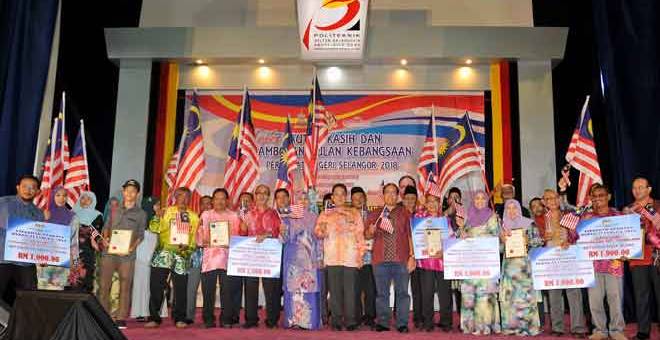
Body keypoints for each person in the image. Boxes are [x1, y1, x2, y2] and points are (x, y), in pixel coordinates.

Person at [145, 187, 199, 329]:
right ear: (175, 197)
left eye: (187, 196)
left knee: (181, 289)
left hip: (182, 257)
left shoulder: (194, 216)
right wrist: (157, 215)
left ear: (190, 199)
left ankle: (179, 318)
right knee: (156, 287)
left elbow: (194, 240)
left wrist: (187, 248)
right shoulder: (166, 211)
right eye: (180, 195)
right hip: (163, 254)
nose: (184, 199)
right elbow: (154, 228)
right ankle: (154, 317)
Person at [315, 183, 365, 331]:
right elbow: (318, 233)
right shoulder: (325, 214)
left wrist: (360, 255)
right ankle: (336, 321)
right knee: (335, 292)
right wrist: (321, 229)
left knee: (350, 291)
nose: (340, 197)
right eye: (336, 194)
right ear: (332, 197)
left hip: (350, 257)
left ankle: (350, 321)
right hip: (332, 257)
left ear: (346, 196)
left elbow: (360, 236)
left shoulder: (354, 213)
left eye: (343, 194)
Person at [366, 183, 415, 333]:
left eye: (394, 192)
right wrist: (370, 230)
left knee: (402, 293)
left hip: (401, 259)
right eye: (387, 192)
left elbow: (410, 236)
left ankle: (402, 323)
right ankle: (383, 322)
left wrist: (412, 256)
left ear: (398, 195)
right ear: (383, 195)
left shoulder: (405, 212)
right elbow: (367, 235)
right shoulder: (376, 214)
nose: (391, 195)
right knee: (382, 294)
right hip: (380, 260)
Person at [98, 180, 146, 329]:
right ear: (123, 192)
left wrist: (132, 247)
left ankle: (120, 317)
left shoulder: (141, 213)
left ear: (137, 194)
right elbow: (106, 226)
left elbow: (140, 234)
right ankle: (103, 315)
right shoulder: (114, 209)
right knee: (104, 284)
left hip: (127, 255)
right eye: (127, 190)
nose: (130, 193)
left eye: (133, 191)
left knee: (125, 285)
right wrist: (105, 238)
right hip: (109, 252)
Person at [582, 184, 626, 340]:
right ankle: (599, 330)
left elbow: (630, 239)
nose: (597, 199)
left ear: (608, 197)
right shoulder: (586, 219)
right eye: (594, 197)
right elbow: (576, 238)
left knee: (615, 299)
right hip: (592, 265)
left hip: (614, 264)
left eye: (601, 195)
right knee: (594, 301)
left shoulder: (619, 216)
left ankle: (616, 330)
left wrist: (629, 251)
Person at [543, 189, 588, 337]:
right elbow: (534, 240)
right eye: (549, 199)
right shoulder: (541, 218)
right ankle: (557, 327)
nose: (553, 201)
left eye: (555, 197)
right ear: (544, 202)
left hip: (569, 255)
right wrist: (543, 238)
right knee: (554, 293)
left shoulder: (568, 213)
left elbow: (578, 232)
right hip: (551, 257)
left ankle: (578, 328)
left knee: (574, 292)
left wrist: (570, 240)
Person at [457, 190, 501, 335]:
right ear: (473, 201)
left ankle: (486, 325)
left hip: (486, 262)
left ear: (487, 200)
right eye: (477, 198)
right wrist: (461, 232)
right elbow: (458, 237)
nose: (480, 201)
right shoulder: (466, 217)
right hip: (470, 262)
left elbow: (498, 241)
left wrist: (476, 237)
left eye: (483, 198)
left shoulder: (492, 217)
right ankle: (470, 325)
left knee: (485, 293)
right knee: (469, 293)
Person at [196, 188, 241, 328]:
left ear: (227, 201)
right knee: (208, 291)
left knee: (227, 291)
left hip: (228, 258)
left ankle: (226, 319)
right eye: (217, 198)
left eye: (223, 198)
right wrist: (202, 240)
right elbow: (199, 234)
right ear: (213, 200)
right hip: (210, 259)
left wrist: (231, 242)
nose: (220, 201)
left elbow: (238, 237)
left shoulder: (234, 216)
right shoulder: (206, 215)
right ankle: (208, 319)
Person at [499, 199, 543, 336]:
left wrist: (527, 241)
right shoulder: (502, 226)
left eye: (514, 208)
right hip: (509, 267)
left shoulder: (528, 224)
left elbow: (539, 241)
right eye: (509, 208)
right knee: (510, 297)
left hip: (524, 267)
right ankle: (511, 326)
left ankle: (528, 326)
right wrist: (501, 240)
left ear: (519, 209)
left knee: (525, 297)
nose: (512, 211)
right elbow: (499, 249)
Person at [280, 190, 322, 330]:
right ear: (294, 202)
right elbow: (283, 240)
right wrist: (282, 231)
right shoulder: (288, 218)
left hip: (310, 260)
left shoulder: (316, 217)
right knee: (294, 290)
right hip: (293, 260)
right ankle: (293, 321)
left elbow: (319, 240)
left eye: (306, 199)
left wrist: (320, 257)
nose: (303, 201)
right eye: (300, 199)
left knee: (308, 289)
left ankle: (308, 321)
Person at [240, 185, 281, 329]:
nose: (262, 196)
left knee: (271, 290)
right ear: (255, 195)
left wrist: (267, 235)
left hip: (269, 256)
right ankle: (251, 319)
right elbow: (241, 235)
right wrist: (243, 228)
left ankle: (272, 320)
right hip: (251, 256)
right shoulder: (247, 214)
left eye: (265, 193)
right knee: (250, 287)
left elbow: (278, 232)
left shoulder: (274, 213)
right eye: (259, 193)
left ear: (268, 196)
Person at [624, 176, 660, 340]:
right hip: (637, 258)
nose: (637, 190)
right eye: (634, 188)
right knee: (640, 295)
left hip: (656, 256)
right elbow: (622, 235)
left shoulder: (658, 206)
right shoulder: (628, 210)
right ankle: (643, 331)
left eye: (640, 187)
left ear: (649, 189)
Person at [0, 175, 43, 306]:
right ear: (18, 188)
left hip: (25, 263)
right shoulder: (3, 203)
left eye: (32, 188)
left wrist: (46, 255)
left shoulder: (38, 214)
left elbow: (39, 239)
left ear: (38, 192)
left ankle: (26, 326)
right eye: (24, 186)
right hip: (2, 259)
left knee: (30, 299)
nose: (28, 190)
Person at [415, 190, 453, 332]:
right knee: (427, 293)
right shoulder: (419, 218)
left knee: (445, 294)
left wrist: (444, 252)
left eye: (435, 201)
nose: (432, 204)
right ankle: (428, 322)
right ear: (425, 203)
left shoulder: (445, 220)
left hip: (442, 261)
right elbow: (415, 238)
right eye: (429, 201)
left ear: (439, 204)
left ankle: (446, 322)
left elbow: (451, 239)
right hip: (425, 262)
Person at [131, 197, 168, 321]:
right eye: (155, 205)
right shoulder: (139, 219)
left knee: (155, 284)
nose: (157, 207)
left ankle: (154, 311)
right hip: (141, 256)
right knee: (140, 283)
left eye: (158, 204)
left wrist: (160, 218)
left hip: (156, 256)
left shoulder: (161, 219)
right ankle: (140, 312)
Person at [37, 186, 80, 290]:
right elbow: (35, 238)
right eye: (58, 195)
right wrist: (42, 219)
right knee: (42, 292)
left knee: (58, 293)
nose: (62, 198)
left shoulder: (73, 217)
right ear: (52, 196)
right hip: (43, 261)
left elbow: (74, 242)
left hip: (63, 261)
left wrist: (75, 262)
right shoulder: (41, 214)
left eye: (65, 195)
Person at [351, 186, 376, 328]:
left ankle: (370, 317)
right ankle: (356, 317)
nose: (358, 200)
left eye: (360, 197)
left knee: (370, 290)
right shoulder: (348, 216)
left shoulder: (373, 215)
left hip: (369, 258)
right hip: (353, 259)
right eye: (355, 198)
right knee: (354, 290)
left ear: (365, 199)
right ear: (351, 201)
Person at [186, 194, 213, 324]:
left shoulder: (216, 221)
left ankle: (208, 317)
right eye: (203, 203)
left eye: (209, 203)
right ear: (199, 205)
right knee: (191, 288)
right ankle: (188, 316)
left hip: (212, 260)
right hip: (195, 259)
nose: (206, 206)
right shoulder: (193, 219)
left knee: (208, 290)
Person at [72, 191, 104, 293]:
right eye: (83, 198)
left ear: (93, 201)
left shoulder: (97, 215)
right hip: (72, 252)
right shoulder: (72, 213)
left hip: (88, 251)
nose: (85, 201)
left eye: (88, 199)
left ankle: (84, 306)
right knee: (73, 278)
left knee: (86, 278)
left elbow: (97, 235)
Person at [528, 196, 547, 327]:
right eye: (533, 206)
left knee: (554, 291)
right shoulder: (529, 224)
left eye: (539, 205)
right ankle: (539, 320)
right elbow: (528, 241)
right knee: (537, 291)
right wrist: (543, 239)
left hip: (556, 259)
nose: (536, 208)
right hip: (536, 260)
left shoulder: (553, 219)